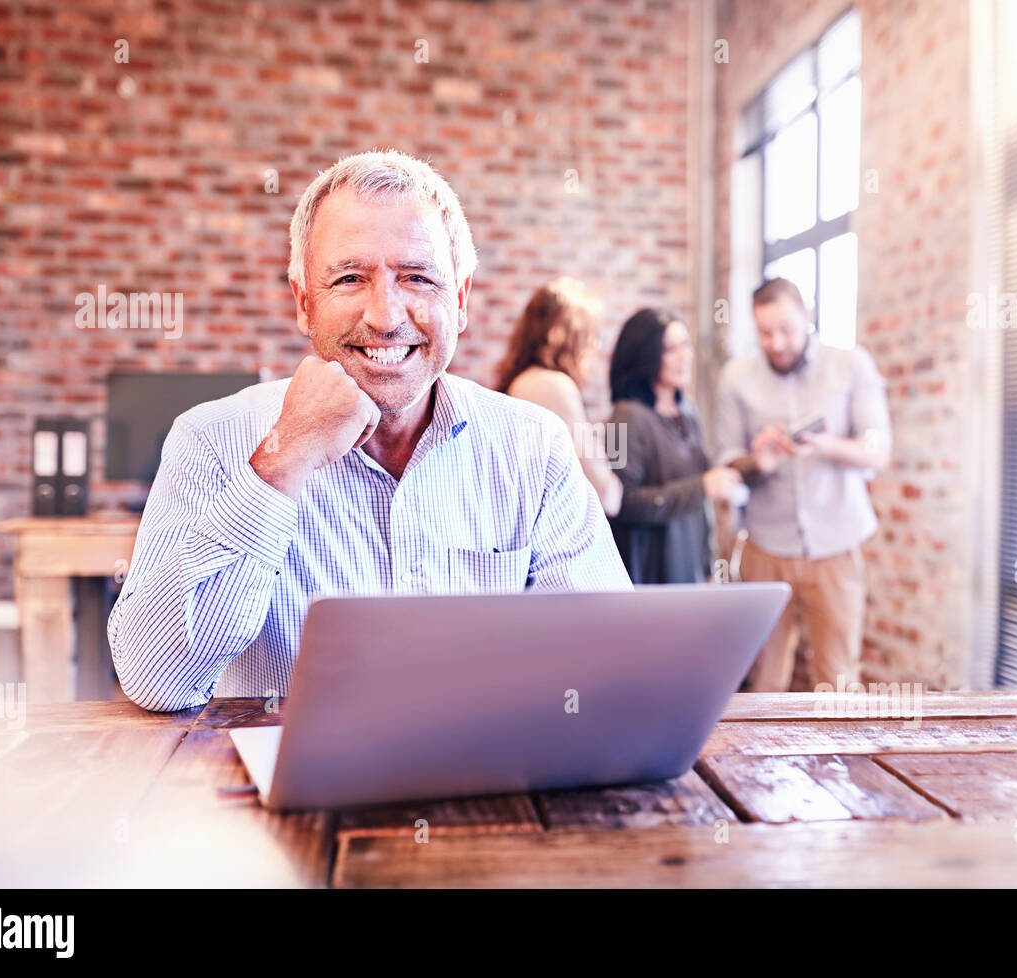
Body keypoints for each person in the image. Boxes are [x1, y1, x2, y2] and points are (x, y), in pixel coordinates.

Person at [109, 149, 631, 712]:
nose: (385, 316)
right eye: (351, 278)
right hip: (288, 793)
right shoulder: (210, 441)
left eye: (417, 277)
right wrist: (285, 459)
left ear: (459, 300)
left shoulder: (534, 445)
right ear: (304, 301)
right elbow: (156, 678)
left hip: (481, 787)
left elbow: (606, 668)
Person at [715, 277, 891, 692]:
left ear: (808, 317)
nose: (777, 343)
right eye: (765, 332)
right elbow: (725, 463)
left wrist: (828, 445)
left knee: (838, 679)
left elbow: (877, 449)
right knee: (766, 680)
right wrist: (757, 461)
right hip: (765, 548)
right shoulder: (736, 379)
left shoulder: (851, 365)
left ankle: (841, 758)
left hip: (836, 546)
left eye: (787, 330)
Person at [607, 308, 745, 584]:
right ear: (644, 356)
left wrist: (707, 568)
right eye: (671, 349)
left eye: (686, 345)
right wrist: (701, 487)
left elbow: (700, 502)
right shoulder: (623, 417)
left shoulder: (687, 410)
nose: (684, 357)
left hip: (688, 566)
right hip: (648, 574)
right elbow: (622, 504)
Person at [498, 277, 623, 517]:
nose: (595, 345)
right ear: (561, 335)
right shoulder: (553, 386)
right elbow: (607, 494)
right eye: (589, 334)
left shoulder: (523, 380)